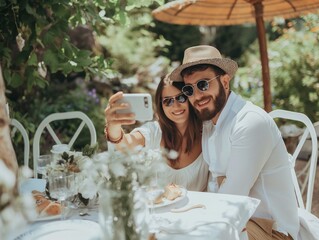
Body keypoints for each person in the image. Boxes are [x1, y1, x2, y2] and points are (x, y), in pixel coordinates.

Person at [169, 45, 299, 239]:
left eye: (203, 84)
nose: (197, 95)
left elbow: (230, 200)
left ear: (225, 82)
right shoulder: (209, 124)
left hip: (271, 231)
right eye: (189, 89)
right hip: (236, 222)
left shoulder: (250, 122)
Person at [104, 75, 209, 191]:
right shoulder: (154, 130)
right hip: (159, 208)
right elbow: (126, 144)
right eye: (168, 101)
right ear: (161, 106)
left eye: (181, 97)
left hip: (199, 208)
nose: (175, 105)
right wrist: (113, 126)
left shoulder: (208, 132)